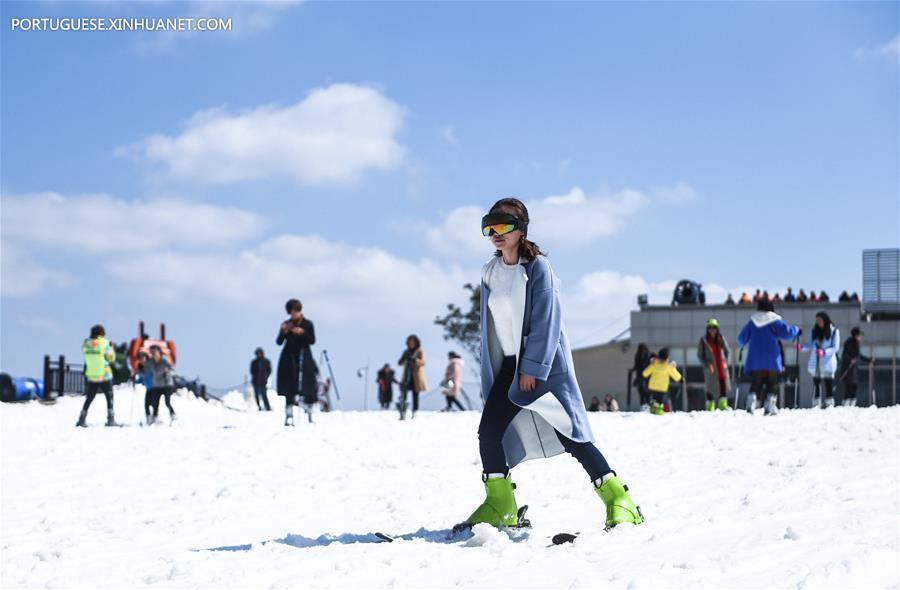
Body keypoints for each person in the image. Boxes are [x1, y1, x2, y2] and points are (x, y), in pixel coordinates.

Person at [462, 197, 642, 532]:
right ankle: (500, 504)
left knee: (571, 433)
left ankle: (620, 500)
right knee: (489, 432)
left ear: (521, 229)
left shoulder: (537, 268)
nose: (495, 233)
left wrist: (532, 368)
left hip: (540, 367)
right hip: (509, 367)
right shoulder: (490, 272)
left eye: (503, 225)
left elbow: (547, 320)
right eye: (489, 226)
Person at [737, 299, 800, 415]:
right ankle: (769, 405)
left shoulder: (753, 321)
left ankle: (751, 403)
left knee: (757, 381)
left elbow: (741, 339)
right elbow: (787, 333)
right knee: (772, 382)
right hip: (772, 357)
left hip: (755, 358)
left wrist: (742, 345)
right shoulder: (774, 320)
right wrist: (796, 330)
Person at [276, 298, 317, 426]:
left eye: (294, 311)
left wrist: (302, 333)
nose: (292, 314)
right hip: (289, 357)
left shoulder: (308, 324)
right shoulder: (287, 324)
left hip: (304, 356)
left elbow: (312, 340)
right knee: (289, 386)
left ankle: (310, 414)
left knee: (308, 384)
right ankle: (289, 415)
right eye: (291, 312)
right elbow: (278, 342)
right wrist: (283, 332)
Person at [76, 324, 118, 427]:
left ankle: (82, 418)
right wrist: (111, 348)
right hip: (104, 374)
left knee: (89, 397)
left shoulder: (86, 344)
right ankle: (110, 419)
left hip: (92, 375)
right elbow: (111, 358)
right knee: (109, 396)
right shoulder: (105, 343)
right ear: (102, 333)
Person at [801, 311, 841, 408]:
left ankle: (829, 403)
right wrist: (801, 347)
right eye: (817, 320)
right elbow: (809, 344)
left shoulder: (834, 331)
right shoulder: (814, 331)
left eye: (820, 320)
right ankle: (816, 402)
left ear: (825, 320)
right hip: (816, 361)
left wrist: (824, 352)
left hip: (827, 361)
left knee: (828, 383)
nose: (818, 322)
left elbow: (835, 348)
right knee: (816, 382)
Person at [697, 318, 731, 411]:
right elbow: (700, 355)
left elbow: (728, 351)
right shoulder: (703, 341)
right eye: (710, 328)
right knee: (710, 387)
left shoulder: (721, 338)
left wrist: (725, 363)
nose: (712, 330)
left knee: (723, 385)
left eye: (714, 328)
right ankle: (710, 406)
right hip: (711, 368)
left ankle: (723, 405)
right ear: (707, 329)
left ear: (717, 329)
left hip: (721, 367)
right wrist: (706, 365)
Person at [642, 348, 682, 415]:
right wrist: (681, 380)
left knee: (655, 397)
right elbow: (675, 375)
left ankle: (653, 407)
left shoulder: (654, 365)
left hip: (652, 386)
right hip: (662, 388)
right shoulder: (668, 367)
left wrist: (644, 376)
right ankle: (658, 409)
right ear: (667, 357)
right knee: (660, 399)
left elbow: (645, 373)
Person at [839, 327, 872, 407]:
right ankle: (846, 405)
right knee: (849, 388)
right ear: (855, 335)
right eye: (860, 335)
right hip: (848, 369)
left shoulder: (856, 344)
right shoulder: (849, 342)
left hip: (853, 370)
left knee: (854, 387)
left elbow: (858, 356)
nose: (861, 337)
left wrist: (869, 360)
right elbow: (844, 355)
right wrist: (851, 360)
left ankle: (852, 405)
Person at [143, 345, 175, 425]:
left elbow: (172, 369)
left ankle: (173, 415)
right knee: (155, 403)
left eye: (154, 351)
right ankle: (155, 418)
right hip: (157, 385)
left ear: (158, 351)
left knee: (167, 402)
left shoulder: (164, 360)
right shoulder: (150, 362)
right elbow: (144, 370)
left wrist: (168, 370)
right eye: (151, 352)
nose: (153, 353)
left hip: (166, 384)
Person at [397, 335, 426, 420]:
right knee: (404, 394)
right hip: (406, 376)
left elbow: (423, 362)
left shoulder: (419, 351)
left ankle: (415, 411)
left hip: (416, 376)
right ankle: (403, 411)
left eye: (413, 342)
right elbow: (400, 363)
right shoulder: (406, 352)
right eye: (410, 342)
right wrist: (404, 359)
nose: (411, 343)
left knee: (415, 394)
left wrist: (415, 360)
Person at [631, 343, 653, 412]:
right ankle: (643, 406)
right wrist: (632, 370)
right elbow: (636, 366)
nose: (642, 351)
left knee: (647, 393)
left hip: (647, 377)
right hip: (640, 376)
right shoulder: (637, 356)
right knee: (641, 392)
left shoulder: (650, 355)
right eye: (641, 349)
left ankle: (648, 406)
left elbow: (657, 359)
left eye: (643, 349)